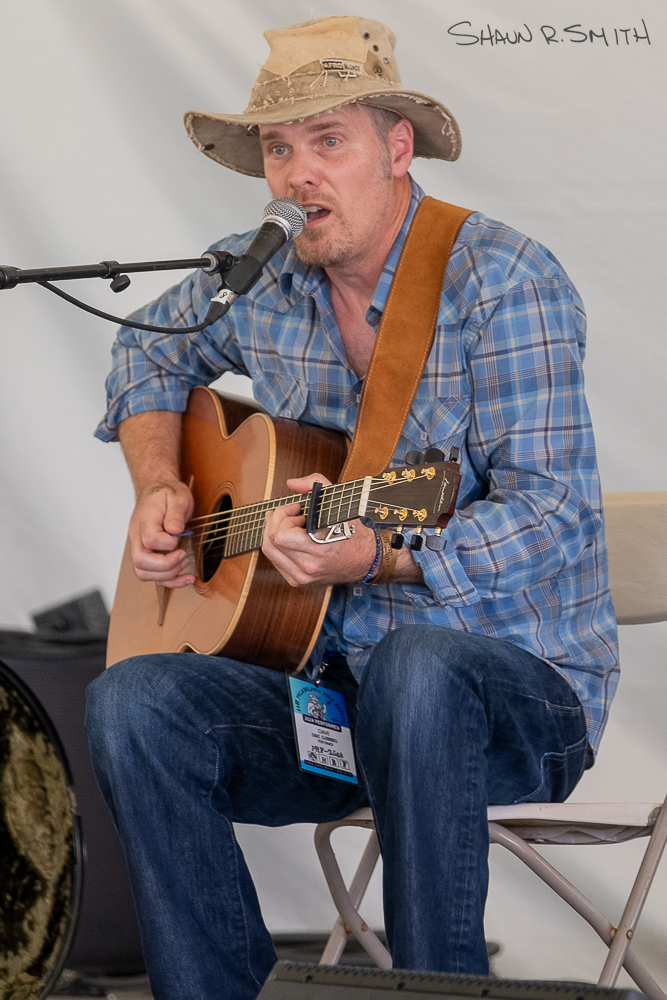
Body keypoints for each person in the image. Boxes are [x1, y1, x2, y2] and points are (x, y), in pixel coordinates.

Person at [85, 15, 619, 1000]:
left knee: (419, 666)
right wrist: (162, 484)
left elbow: (555, 515)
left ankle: (439, 992)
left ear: (396, 147)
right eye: (279, 150)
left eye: (328, 142)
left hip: (516, 699)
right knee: (133, 699)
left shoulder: (501, 281)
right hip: (334, 697)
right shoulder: (260, 277)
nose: (298, 176)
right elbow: (145, 352)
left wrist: (381, 555)